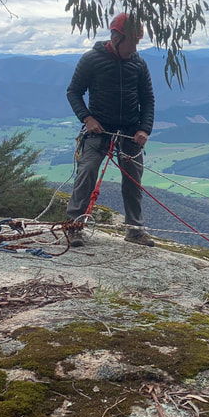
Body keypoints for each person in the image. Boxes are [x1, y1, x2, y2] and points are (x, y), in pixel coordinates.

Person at [65, 13, 156, 247]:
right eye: (132, 42)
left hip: (130, 130)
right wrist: (87, 119)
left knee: (133, 179)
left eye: (137, 43)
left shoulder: (138, 63)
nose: (135, 48)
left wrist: (144, 129)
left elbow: (148, 100)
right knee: (87, 171)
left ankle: (135, 230)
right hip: (99, 129)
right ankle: (74, 226)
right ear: (116, 37)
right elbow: (73, 91)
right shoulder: (92, 60)